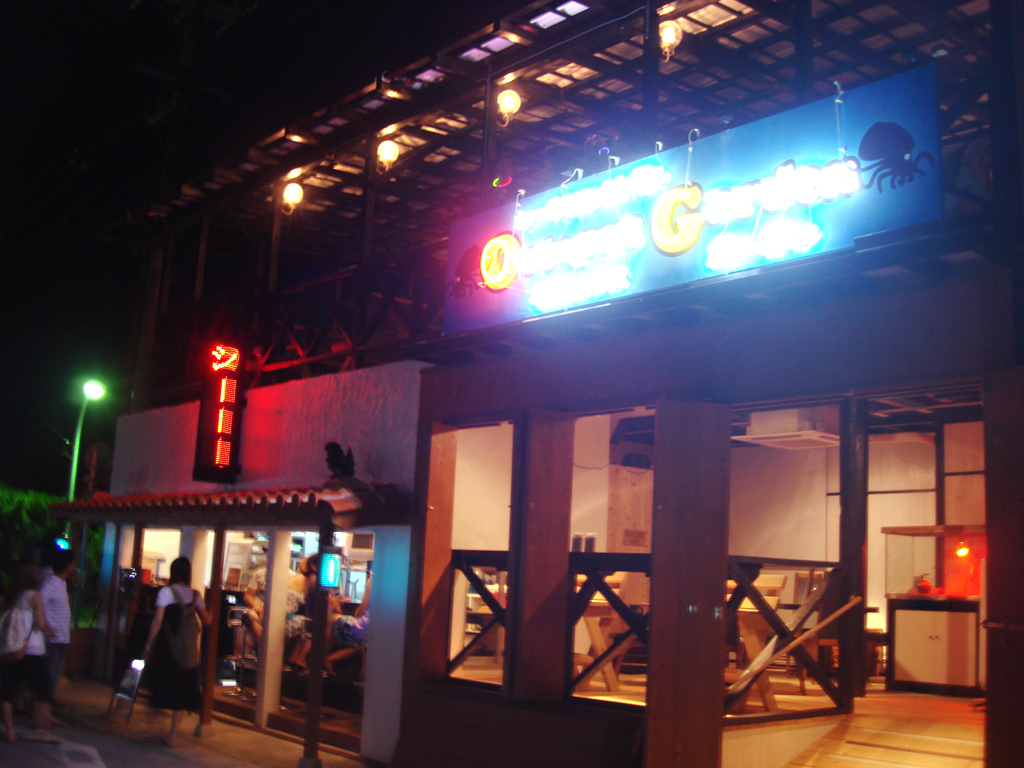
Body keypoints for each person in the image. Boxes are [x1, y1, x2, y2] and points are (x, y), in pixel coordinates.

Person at [141, 557, 211, 746]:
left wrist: (148, 646)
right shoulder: (196, 596)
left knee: (159, 687)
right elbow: (207, 621)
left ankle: (153, 728)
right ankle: (172, 734)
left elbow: (158, 621)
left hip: (167, 648)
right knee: (181, 692)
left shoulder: (166, 592)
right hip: (187, 652)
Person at [1, 562, 59, 743]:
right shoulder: (35, 595)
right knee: (43, 689)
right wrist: (47, 629)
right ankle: (40, 729)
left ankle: (9, 731)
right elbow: (40, 623)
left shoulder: (13, 595)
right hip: (32, 649)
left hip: (13, 648)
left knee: (7, 691)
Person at [40, 547, 75, 707]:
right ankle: (41, 706)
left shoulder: (61, 584)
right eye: (72, 564)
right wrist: (45, 628)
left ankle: (46, 703)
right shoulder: (52, 584)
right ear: (67, 565)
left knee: (54, 674)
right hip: (53, 638)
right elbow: (38, 603)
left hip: (61, 637)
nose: (73, 567)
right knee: (49, 674)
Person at [326, 572, 371, 671]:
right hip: (379, 632)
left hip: (364, 632)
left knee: (335, 618)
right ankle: (329, 659)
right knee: (361, 645)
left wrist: (356, 614)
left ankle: (323, 658)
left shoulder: (372, 580)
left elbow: (360, 612)